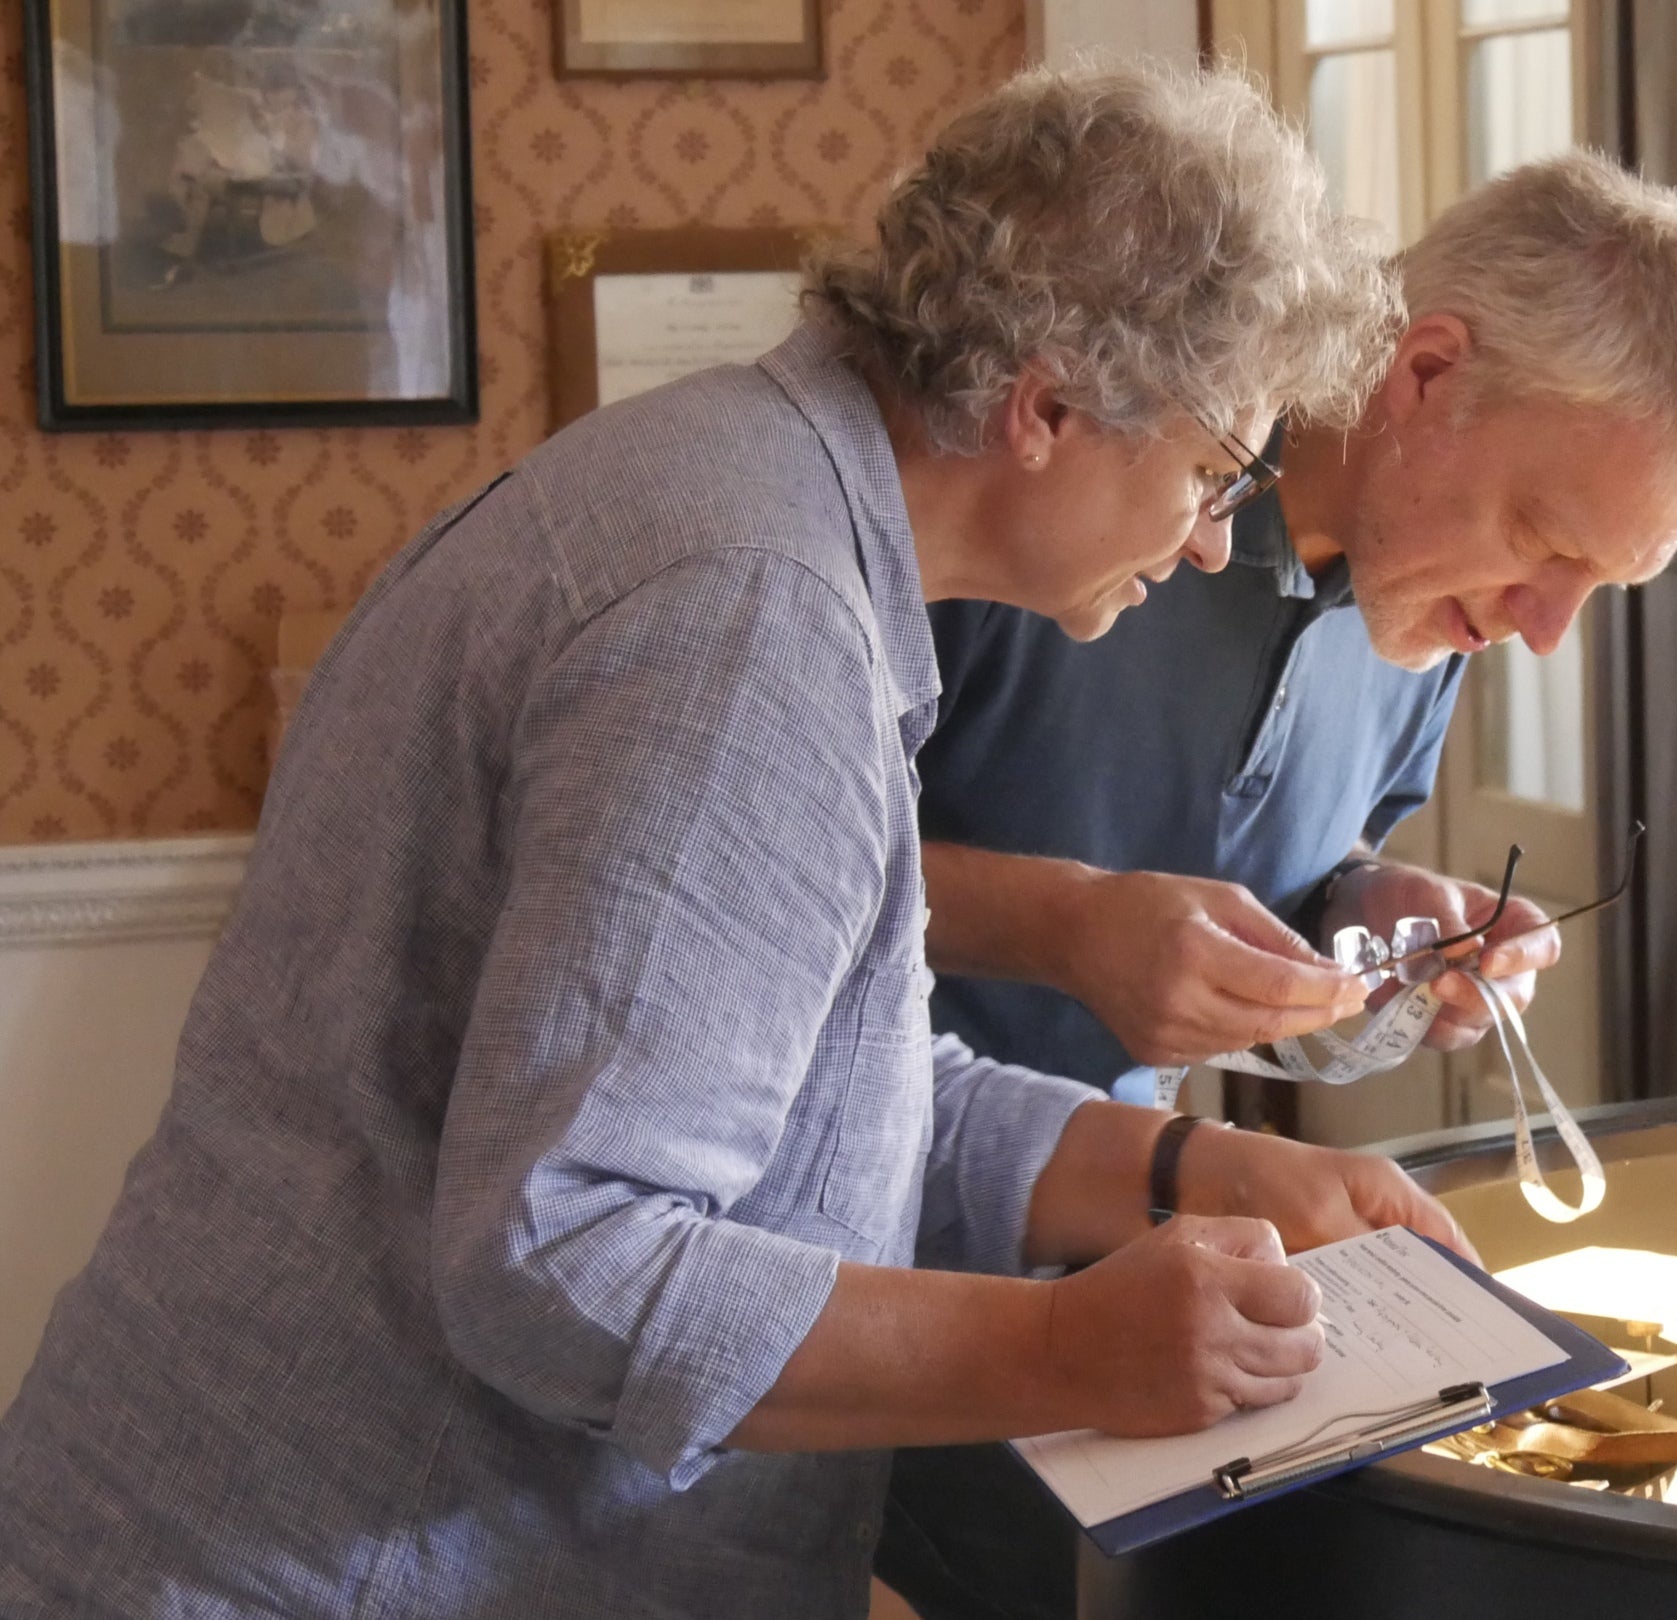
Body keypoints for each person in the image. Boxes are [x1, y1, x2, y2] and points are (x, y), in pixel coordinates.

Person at [0, 64, 1452, 1620]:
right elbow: (568, 1261)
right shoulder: (754, 615)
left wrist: (1178, 1165)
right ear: (1045, 409)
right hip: (322, 1563)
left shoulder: (759, 495)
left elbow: (828, 1093)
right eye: (1215, 471)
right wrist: (1062, 1351)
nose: (1217, 538)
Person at [879, 152, 1677, 1620]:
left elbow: (1289, 892)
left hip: (1113, 1274)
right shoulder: (1077, 483)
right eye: (1548, 544)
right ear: (1427, 372)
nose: (1547, 630)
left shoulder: (1418, 614)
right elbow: (740, 863)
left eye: (1599, 587)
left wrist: (1373, 933)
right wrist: (1063, 922)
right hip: (826, 1277)